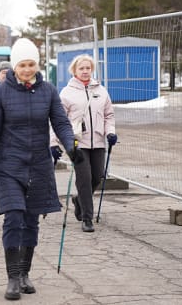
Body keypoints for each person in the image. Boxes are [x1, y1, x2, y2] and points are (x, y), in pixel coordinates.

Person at [0, 38, 84, 300]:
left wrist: (71, 146)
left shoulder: (48, 90)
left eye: (31, 64)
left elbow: (60, 122)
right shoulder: (2, 93)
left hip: (38, 164)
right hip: (9, 165)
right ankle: (13, 277)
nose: (27, 70)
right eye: (22, 65)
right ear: (15, 66)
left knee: (31, 220)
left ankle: (25, 273)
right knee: (14, 216)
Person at [51, 54, 117, 233]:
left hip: (98, 141)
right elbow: (57, 120)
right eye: (82, 68)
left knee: (97, 177)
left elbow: (109, 115)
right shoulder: (67, 93)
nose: (85, 71)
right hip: (77, 143)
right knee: (84, 178)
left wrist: (110, 132)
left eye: (88, 68)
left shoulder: (101, 90)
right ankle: (87, 218)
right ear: (74, 71)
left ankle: (78, 200)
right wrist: (54, 143)